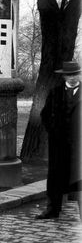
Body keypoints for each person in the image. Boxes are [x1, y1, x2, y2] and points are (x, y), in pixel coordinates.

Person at [36, 60, 81, 220]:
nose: (72, 78)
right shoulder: (55, 93)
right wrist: (53, 131)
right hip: (58, 143)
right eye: (69, 75)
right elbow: (45, 115)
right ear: (64, 76)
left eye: (75, 74)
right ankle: (52, 209)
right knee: (56, 176)